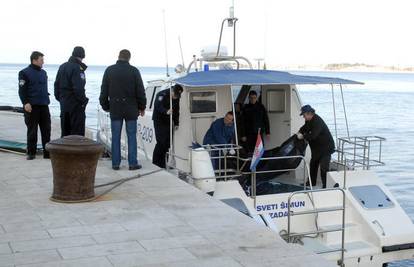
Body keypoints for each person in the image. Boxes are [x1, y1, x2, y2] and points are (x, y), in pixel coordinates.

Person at [99, 49, 146, 170]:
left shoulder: (109, 70)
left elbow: (104, 90)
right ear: (129, 58)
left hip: (115, 107)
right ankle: (132, 163)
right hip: (131, 108)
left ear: (118, 56)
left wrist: (106, 106)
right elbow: (140, 91)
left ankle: (115, 163)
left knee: (115, 136)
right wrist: (142, 107)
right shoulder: (134, 71)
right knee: (131, 136)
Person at [18, 51, 51, 160]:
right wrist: (25, 103)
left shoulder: (43, 73)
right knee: (32, 131)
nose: (43, 62)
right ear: (35, 60)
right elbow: (22, 90)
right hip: (32, 106)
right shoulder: (24, 73)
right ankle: (31, 152)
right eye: (41, 60)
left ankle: (47, 153)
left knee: (46, 130)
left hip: (44, 105)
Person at [297, 105, 335, 188]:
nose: (303, 117)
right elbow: (305, 127)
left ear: (309, 113)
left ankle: (325, 185)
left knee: (324, 167)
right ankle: (311, 182)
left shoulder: (318, 122)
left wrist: (303, 136)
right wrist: (300, 131)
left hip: (326, 148)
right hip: (317, 149)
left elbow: (313, 135)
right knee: (313, 164)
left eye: (304, 115)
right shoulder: (309, 120)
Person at [54, 46, 88, 137]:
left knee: (65, 133)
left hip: (64, 103)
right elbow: (78, 88)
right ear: (83, 56)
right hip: (75, 105)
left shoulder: (62, 66)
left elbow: (56, 85)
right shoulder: (78, 68)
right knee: (77, 134)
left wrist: (61, 99)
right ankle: (76, 151)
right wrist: (84, 101)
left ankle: (64, 151)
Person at [152, 84, 183, 168]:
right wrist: (166, 111)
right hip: (159, 121)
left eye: (177, 96)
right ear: (172, 91)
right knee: (161, 142)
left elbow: (176, 110)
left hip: (168, 121)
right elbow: (158, 106)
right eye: (175, 95)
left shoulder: (177, 98)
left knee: (168, 143)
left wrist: (176, 123)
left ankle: (163, 162)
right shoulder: (162, 94)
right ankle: (156, 162)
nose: (176, 97)